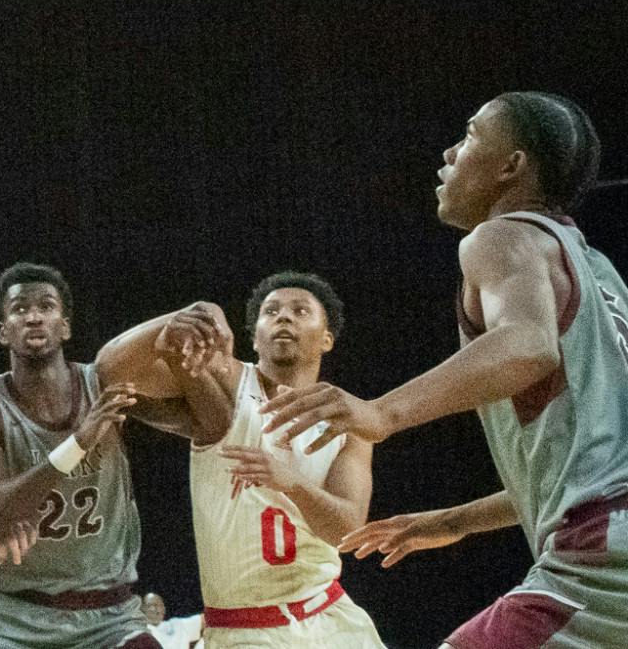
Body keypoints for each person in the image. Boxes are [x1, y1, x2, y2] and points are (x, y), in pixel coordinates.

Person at [266, 92, 628, 649]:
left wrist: (381, 412)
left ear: (511, 166)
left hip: (601, 557)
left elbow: (529, 345)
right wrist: (452, 522)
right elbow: (589, 473)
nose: (450, 152)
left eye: (471, 135)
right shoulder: (600, 273)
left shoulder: (502, 235)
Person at [0, 264, 231, 649]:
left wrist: (183, 355)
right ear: (3, 331)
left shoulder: (101, 384)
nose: (33, 316)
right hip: (16, 618)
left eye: (46, 306)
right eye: (19, 309)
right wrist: (77, 444)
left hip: (110, 616)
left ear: (65, 327)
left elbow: (212, 425)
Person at [104, 276, 385, 649]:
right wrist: (189, 316)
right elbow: (110, 371)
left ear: (327, 339)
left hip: (330, 618)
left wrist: (290, 482)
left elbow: (345, 529)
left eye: (300, 311)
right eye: (271, 311)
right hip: (243, 629)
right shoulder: (225, 382)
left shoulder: (346, 418)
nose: (284, 317)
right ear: (253, 338)